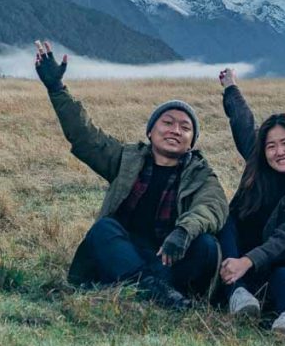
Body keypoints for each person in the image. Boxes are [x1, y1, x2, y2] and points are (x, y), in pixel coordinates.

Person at [34, 41, 228, 310]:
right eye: (167, 122)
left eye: (185, 127)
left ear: (191, 141)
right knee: (104, 229)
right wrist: (56, 89)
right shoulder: (127, 158)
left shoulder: (201, 174)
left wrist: (184, 231)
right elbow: (86, 137)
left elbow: (213, 206)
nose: (175, 130)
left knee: (206, 245)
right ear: (150, 132)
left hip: (171, 258)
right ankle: (154, 289)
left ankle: (148, 288)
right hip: (127, 255)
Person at [216, 67, 285, 336]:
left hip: (275, 267)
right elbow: (243, 125)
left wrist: (247, 262)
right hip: (238, 268)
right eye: (271, 146)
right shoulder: (259, 167)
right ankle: (238, 295)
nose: (279, 152)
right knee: (224, 219)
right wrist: (231, 88)